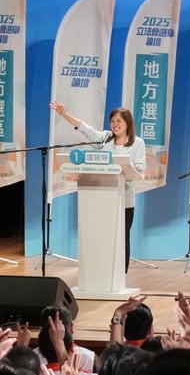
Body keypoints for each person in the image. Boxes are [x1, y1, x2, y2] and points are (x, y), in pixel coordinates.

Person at [49, 101, 147, 273]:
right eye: (113, 121)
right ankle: (102, 271)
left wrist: (125, 170)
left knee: (122, 238)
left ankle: (120, 274)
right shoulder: (106, 138)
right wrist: (64, 114)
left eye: (119, 121)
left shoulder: (137, 143)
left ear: (128, 124)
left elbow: (139, 170)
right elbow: (86, 129)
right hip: (102, 198)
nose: (115, 125)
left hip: (124, 201)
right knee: (103, 237)